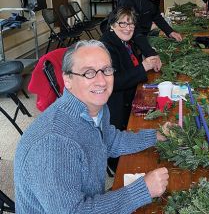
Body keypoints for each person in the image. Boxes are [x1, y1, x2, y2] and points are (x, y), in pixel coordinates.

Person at [15, 40, 170, 214]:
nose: (101, 81)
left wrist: (155, 135)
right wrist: (143, 190)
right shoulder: (53, 143)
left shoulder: (96, 107)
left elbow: (111, 141)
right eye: (88, 73)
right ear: (68, 79)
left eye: (106, 70)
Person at [100, 7, 160, 170]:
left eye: (131, 24)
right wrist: (143, 67)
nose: (128, 28)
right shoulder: (107, 47)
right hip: (115, 105)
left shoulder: (124, 42)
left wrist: (150, 62)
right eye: (123, 23)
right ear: (112, 24)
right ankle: (118, 165)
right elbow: (115, 81)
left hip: (130, 93)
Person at [118, 0, 183, 69]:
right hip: (128, 38)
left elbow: (156, 15)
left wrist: (170, 32)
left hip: (142, 34)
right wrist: (150, 53)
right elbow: (134, 30)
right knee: (135, 67)